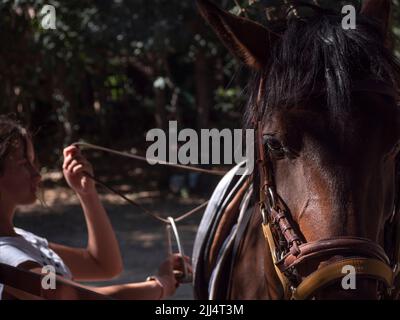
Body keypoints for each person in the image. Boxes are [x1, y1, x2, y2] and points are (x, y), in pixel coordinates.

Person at [0, 115, 191, 300]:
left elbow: (103, 265)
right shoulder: (7, 256)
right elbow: (68, 295)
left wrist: (86, 194)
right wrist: (158, 286)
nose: (37, 174)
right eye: (23, 163)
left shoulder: (26, 241)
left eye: (33, 162)